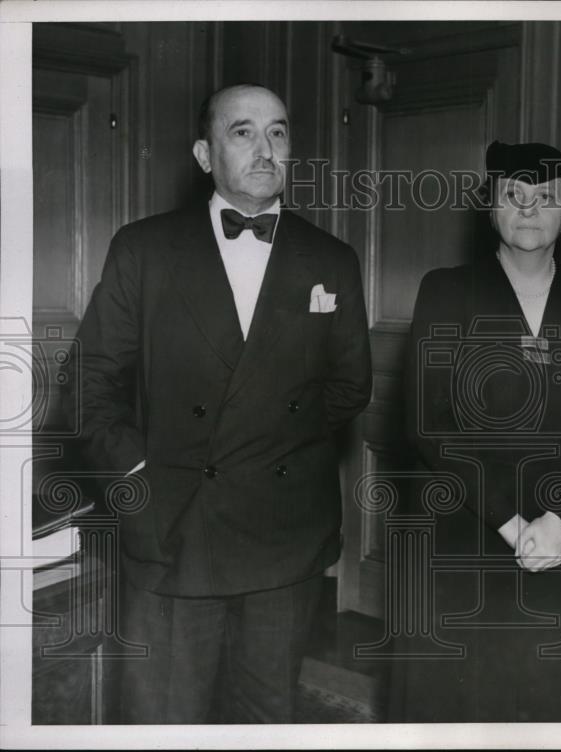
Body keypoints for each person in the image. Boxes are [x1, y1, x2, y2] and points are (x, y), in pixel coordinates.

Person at [66, 83, 372, 723]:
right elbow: (87, 386)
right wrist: (139, 480)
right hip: (173, 528)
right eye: (244, 132)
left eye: (279, 132)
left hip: (284, 535)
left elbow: (350, 386)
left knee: (268, 718)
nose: (266, 149)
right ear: (205, 155)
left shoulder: (332, 259)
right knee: (163, 723)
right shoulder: (144, 249)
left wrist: (265, 445)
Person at [388, 141, 561, 722]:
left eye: (546, 197)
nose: (529, 208)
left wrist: (557, 518)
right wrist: (509, 518)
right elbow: (430, 423)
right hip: (463, 533)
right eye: (514, 195)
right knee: (461, 705)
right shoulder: (446, 291)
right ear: (490, 208)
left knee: (554, 705)